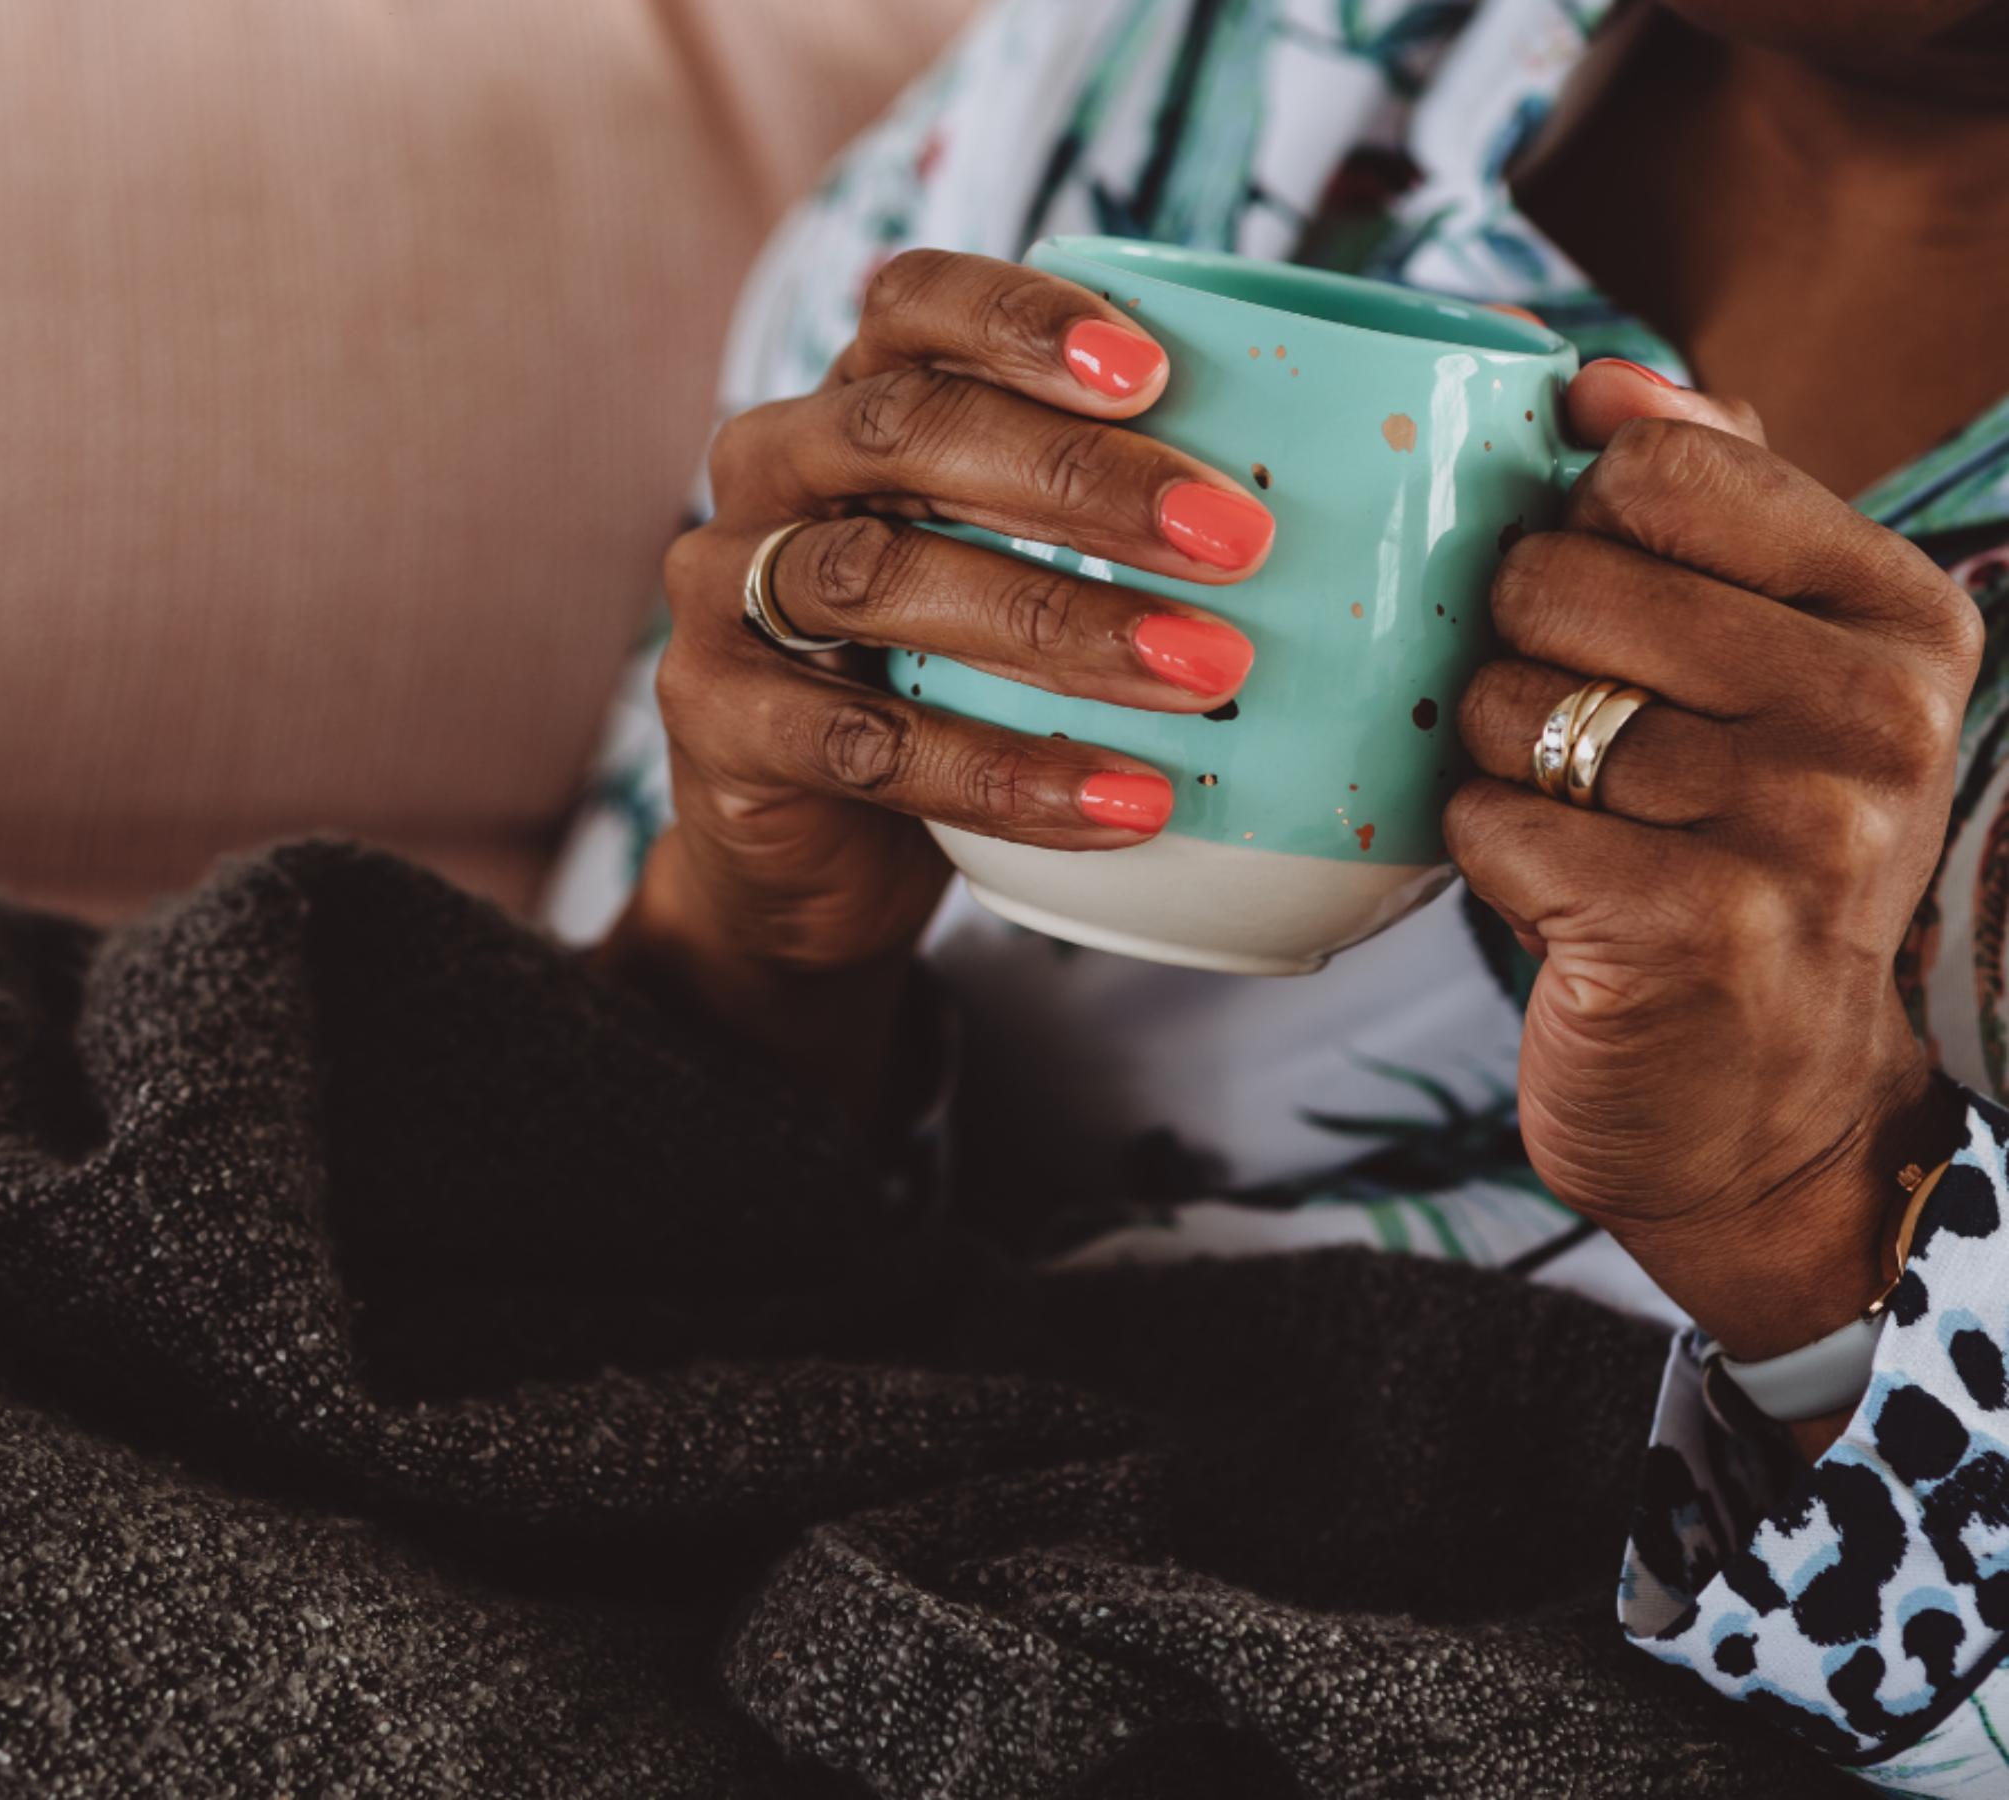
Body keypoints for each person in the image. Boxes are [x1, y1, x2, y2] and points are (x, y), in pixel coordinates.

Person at [544, 0, 2009, 1786]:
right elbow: (562, 1284)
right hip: (792, 1512)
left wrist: (1806, 1210)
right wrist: (759, 941)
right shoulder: (1185, 65)